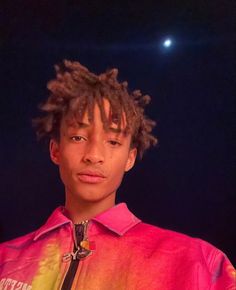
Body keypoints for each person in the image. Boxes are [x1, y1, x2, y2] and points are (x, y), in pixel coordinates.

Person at [0, 60, 235, 290]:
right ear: (56, 150)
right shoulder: (5, 261)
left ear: (130, 158)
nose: (93, 155)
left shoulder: (197, 262)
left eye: (113, 141)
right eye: (78, 137)